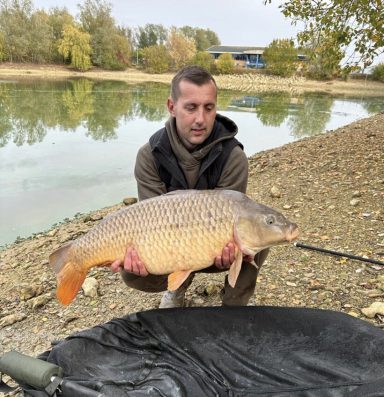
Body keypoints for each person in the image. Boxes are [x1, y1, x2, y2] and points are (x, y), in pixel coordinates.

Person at [111, 65, 268, 308]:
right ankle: (176, 290)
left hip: (216, 246)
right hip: (169, 243)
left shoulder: (233, 157)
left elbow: (233, 219)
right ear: (172, 107)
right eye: (191, 107)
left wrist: (235, 249)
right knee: (131, 271)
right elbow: (149, 225)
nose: (200, 119)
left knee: (256, 238)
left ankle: (235, 306)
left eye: (209, 108)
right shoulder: (149, 156)